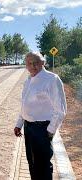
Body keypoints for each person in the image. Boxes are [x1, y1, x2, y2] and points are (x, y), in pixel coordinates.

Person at [14, 52, 67, 180]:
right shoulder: (28, 80)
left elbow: (60, 109)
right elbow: (24, 104)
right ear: (25, 65)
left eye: (36, 63)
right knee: (32, 163)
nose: (32, 66)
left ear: (43, 63)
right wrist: (19, 124)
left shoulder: (52, 79)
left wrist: (49, 131)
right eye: (29, 63)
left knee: (42, 165)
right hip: (28, 128)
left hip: (42, 129)